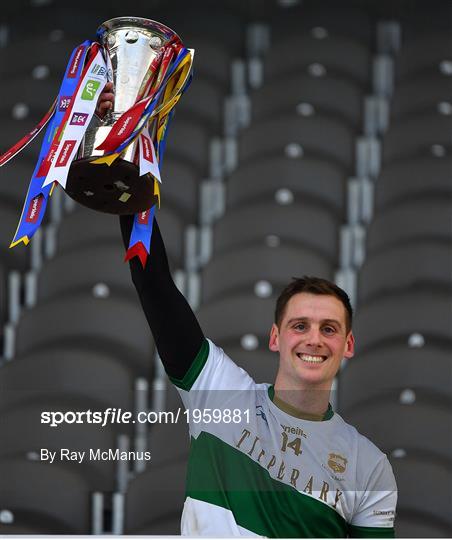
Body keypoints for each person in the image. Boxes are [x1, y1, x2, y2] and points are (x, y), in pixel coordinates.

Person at [98, 91, 398, 537]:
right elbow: (155, 285)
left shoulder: (370, 468)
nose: (314, 339)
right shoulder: (219, 394)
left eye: (329, 328)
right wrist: (124, 147)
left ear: (348, 344)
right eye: (300, 325)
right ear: (275, 337)